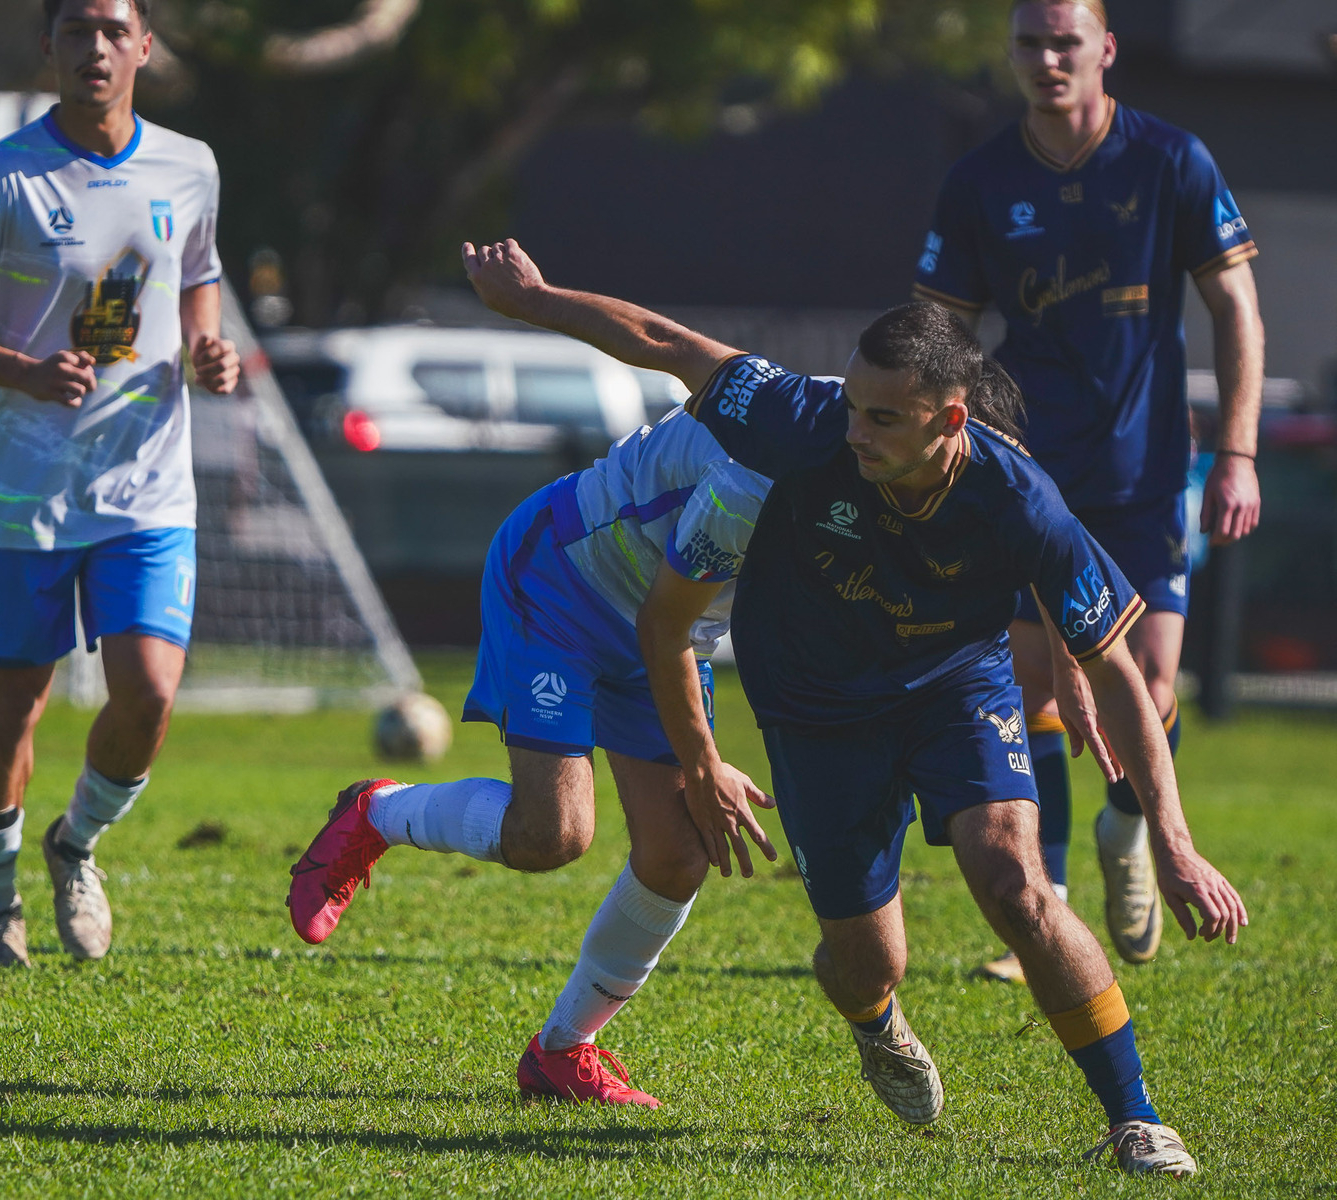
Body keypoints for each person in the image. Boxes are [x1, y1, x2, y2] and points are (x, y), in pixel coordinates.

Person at [462, 239, 1246, 1176]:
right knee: (865, 965)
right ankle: (875, 1019)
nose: (855, 432)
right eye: (851, 403)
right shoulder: (804, 422)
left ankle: (1135, 1116)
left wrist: (1172, 837)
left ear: (948, 421)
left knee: (1017, 886)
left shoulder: (1021, 500)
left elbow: (1117, 666)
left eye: (882, 418)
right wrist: (535, 298)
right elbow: (665, 343)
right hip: (815, 709)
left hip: (955, 687)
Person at [286, 242, 779, 1107]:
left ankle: (561, 1052)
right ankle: (376, 811)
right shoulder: (776, 439)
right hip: (561, 577)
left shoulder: (906, 485)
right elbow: (658, 337)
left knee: (681, 851)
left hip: (669, 626)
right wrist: (537, 299)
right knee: (552, 836)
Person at [912, 0, 1264, 981]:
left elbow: (1233, 306)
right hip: (1028, 473)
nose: (1045, 60)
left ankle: (1126, 834)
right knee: (1038, 694)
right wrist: (943, 439)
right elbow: (931, 330)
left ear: (1104, 50)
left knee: (1147, 688)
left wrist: (1234, 453)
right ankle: (1047, 906)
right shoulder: (979, 180)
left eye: (1064, 42)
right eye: (1028, 43)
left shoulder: (1168, 160)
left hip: (1147, 470)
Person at [0, 0, 239, 968]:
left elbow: (197, 269)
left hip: (146, 489)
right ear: (48, 45)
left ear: (142, 45)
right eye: (75, 30)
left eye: (111, 29)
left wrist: (206, 343)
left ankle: (76, 846)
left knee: (149, 693)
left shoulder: (191, 164)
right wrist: (22, 369)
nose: (94, 48)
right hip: (20, 494)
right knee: (11, 709)